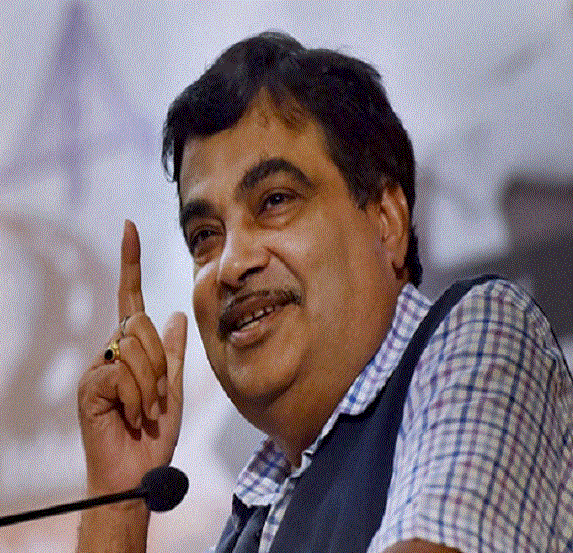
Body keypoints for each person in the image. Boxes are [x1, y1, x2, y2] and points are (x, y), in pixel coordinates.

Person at [76, 31, 573, 553]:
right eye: (204, 236)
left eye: (274, 201)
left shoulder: (481, 335)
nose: (231, 263)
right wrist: (116, 501)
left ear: (386, 220)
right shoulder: (250, 522)